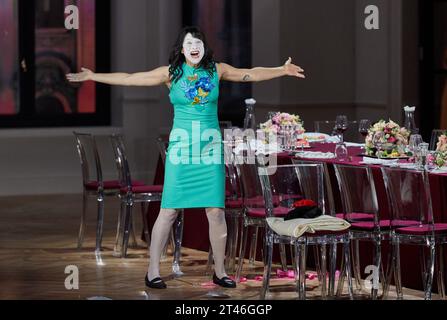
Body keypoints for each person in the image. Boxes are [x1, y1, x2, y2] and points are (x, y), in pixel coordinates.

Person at [67, 26, 305, 289]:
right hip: (182, 149)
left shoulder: (217, 69)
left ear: (204, 47)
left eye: (198, 42)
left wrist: (281, 70)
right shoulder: (171, 73)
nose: (194, 46)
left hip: (211, 148)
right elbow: (131, 77)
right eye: (189, 43)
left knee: (215, 212)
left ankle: (220, 270)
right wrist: (93, 76)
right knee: (169, 211)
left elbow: (250, 73)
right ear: (182, 48)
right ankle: (153, 271)